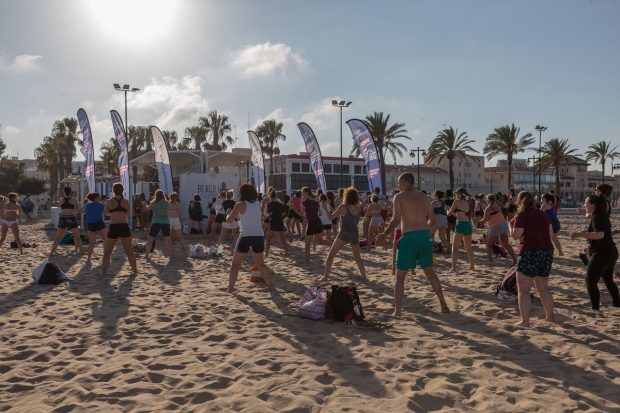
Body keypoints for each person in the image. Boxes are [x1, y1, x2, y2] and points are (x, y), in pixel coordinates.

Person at [377, 173, 449, 316]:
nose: (398, 186)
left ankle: (397, 310)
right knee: (431, 273)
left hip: (409, 237)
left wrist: (384, 234)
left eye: (399, 183)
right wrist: (424, 229)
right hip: (424, 237)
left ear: (404, 182)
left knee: (400, 276)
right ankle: (443, 305)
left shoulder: (399, 197)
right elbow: (432, 219)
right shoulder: (424, 197)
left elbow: (396, 219)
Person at [509, 191, 555, 327]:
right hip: (546, 252)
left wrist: (510, 226)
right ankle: (550, 317)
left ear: (520, 202)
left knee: (523, 290)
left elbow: (516, 236)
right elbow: (551, 233)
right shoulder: (543, 214)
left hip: (529, 252)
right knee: (543, 288)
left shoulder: (522, 216)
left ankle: (525, 321)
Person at [570, 195, 619, 311]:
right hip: (610, 252)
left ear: (593, 205)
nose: (584, 205)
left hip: (603, 253)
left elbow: (600, 234)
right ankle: (617, 303)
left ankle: (595, 309)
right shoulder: (600, 216)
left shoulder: (597, 217)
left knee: (590, 281)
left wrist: (581, 234)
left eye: (586, 203)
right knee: (608, 279)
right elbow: (605, 233)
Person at [226, 183, 273, 293]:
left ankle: (231, 288)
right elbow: (251, 217)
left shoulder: (239, 204)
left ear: (243, 193)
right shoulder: (257, 204)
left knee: (235, 264)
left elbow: (229, 220)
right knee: (261, 264)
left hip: (246, 235)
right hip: (259, 235)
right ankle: (270, 285)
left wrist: (227, 214)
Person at [320, 187, 366, 282]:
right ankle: (364, 276)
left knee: (331, 255)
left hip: (344, 234)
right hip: (354, 234)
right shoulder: (358, 207)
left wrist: (325, 208)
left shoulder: (343, 207)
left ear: (346, 196)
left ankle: (325, 276)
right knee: (358, 258)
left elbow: (331, 217)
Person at [102, 183, 137, 276]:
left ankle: (104, 273)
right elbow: (128, 214)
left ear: (113, 191)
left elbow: (105, 214)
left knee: (107, 252)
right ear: (123, 190)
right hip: (124, 226)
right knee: (129, 251)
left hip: (114, 226)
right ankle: (135, 271)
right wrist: (120, 213)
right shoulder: (126, 201)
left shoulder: (109, 202)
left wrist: (113, 213)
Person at [480, 193, 517, 263]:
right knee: (506, 244)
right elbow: (495, 216)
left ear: (488, 200)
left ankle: (490, 261)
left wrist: (477, 221)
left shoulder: (488, 208)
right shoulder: (498, 205)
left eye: (486, 199)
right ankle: (515, 259)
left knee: (488, 244)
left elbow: (484, 220)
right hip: (504, 224)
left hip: (496, 227)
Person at [50, 186, 85, 256]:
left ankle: (51, 253)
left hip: (63, 218)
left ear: (64, 192)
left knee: (58, 237)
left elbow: (62, 207)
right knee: (77, 237)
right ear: (71, 192)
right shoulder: (74, 199)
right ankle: (82, 252)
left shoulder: (61, 199)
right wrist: (83, 209)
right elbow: (78, 211)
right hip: (71, 218)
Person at [447, 188, 475, 273]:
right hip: (468, 225)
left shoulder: (456, 201)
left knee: (455, 247)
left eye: (456, 193)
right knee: (468, 247)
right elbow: (462, 214)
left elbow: (449, 214)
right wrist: (456, 214)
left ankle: (454, 267)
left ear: (460, 194)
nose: (455, 194)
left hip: (460, 225)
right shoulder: (466, 202)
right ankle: (472, 266)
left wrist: (447, 209)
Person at [145, 190, 173, 259]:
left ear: (156, 195)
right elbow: (169, 209)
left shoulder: (153, 203)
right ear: (162, 195)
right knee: (168, 240)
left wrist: (145, 204)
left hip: (155, 222)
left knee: (150, 240)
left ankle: (147, 255)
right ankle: (171, 255)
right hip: (165, 222)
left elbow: (147, 209)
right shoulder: (167, 203)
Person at [264, 190, 289, 256]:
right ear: (276, 196)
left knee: (268, 239)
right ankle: (287, 252)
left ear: (269, 196)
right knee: (282, 239)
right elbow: (284, 213)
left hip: (272, 223)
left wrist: (269, 215)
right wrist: (280, 215)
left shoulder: (269, 204)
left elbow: (268, 215)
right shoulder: (280, 204)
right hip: (280, 222)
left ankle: (266, 253)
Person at [301, 187, 323, 260]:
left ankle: (307, 259)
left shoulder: (305, 202)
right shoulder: (315, 201)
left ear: (307, 193)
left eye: (303, 193)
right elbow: (320, 213)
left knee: (307, 244)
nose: (302, 194)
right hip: (318, 222)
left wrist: (294, 209)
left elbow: (302, 214)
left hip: (312, 223)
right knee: (321, 241)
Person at [84, 192, 107, 261]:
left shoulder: (87, 205)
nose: (100, 198)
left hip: (91, 224)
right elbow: (106, 213)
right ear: (96, 198)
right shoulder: (101, 205)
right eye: (99, 197)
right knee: (105, 239)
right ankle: (106, 254)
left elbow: (81, 212)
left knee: (92, 242)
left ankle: (89, 258)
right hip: (99, 223)